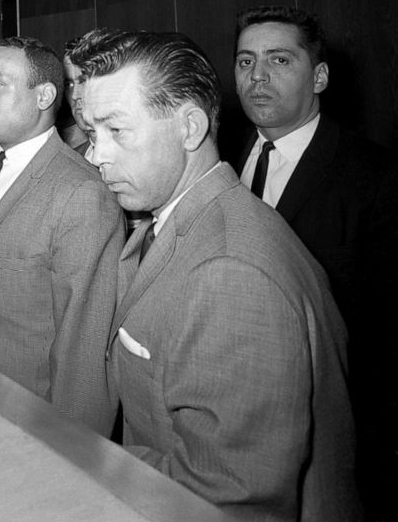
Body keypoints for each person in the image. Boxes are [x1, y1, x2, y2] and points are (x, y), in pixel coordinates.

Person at [78, 29, 361, 521]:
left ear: (190, 128)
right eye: (91, 132)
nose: (95, 154)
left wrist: (79, 458)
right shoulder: (181, 219)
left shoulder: (230, 271)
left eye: (116, 130)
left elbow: (225, 495)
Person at [233, 5, 397, 519]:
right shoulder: (225, 158)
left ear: (319, 75)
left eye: (279, 60)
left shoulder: (375, 177)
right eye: (244, 62)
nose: (257, 77)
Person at [0, 37, 122, 435]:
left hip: (28, 418)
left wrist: (75, 449)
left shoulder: (81, 193)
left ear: (43, 96)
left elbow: (84, 348)